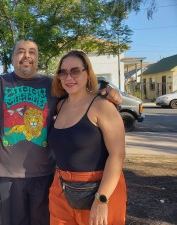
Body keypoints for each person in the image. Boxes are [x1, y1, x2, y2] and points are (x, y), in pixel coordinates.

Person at [0, 40, 122, 225]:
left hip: (46, 174)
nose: (27, 56)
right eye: (21, 51)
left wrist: (109, 92)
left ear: (37, 58)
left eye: (32, 52)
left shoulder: (53, 85)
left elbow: (81, 91)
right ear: (13, 57)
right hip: (8, 176)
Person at [48, 50, 126, 225]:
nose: (69, 77)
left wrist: (102, 199)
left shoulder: (102, 106)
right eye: (63, 72)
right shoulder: (59, 106)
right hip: (60, 188)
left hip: (99, 189)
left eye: (75, 71)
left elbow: (118, 155)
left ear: (88, 73)